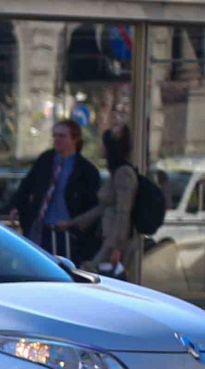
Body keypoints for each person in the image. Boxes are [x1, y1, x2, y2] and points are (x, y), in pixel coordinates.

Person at [13, 119, 102, 263]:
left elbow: (92, 207)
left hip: (69, 234)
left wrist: (77, 226)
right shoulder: (46, 160)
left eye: (62, 136)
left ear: (75, 139)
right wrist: (17, 206)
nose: (57, 140)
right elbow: (27, 185)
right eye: (55, 136)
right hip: (42, 229)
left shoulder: (86, 170)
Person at [89, 126, 143, 279]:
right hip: (109, 236)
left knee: (99, 275)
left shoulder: (123, 174)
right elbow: (103, 208)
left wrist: (116, 247)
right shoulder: (116, 173)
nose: (101, 149)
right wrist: (75, 222)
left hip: (114, 241)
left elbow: (123, 213)